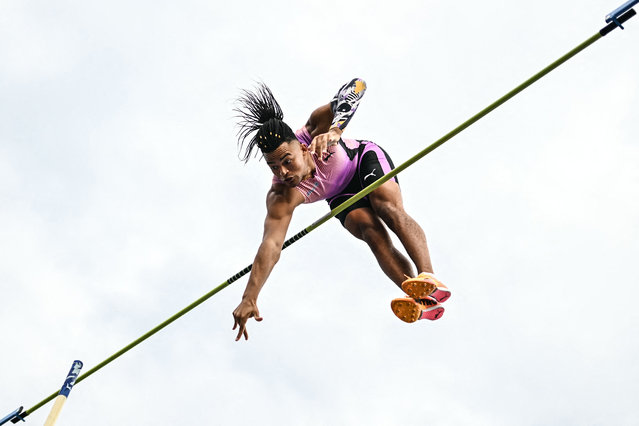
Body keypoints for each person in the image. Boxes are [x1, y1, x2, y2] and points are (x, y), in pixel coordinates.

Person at [231, 78, 451, 341]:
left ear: (302, 148)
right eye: (274, 167)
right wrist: (249, 297)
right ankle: (422, 298)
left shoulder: (315, 128)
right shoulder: (281, 195)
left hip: (361, 161)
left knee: (385, 207)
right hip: (340, 195)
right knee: (371, 233)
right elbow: (271, 245)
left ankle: (429, 276)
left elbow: (357, 85)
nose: (284, 173)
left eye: (287, 162)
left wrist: (335, 130)